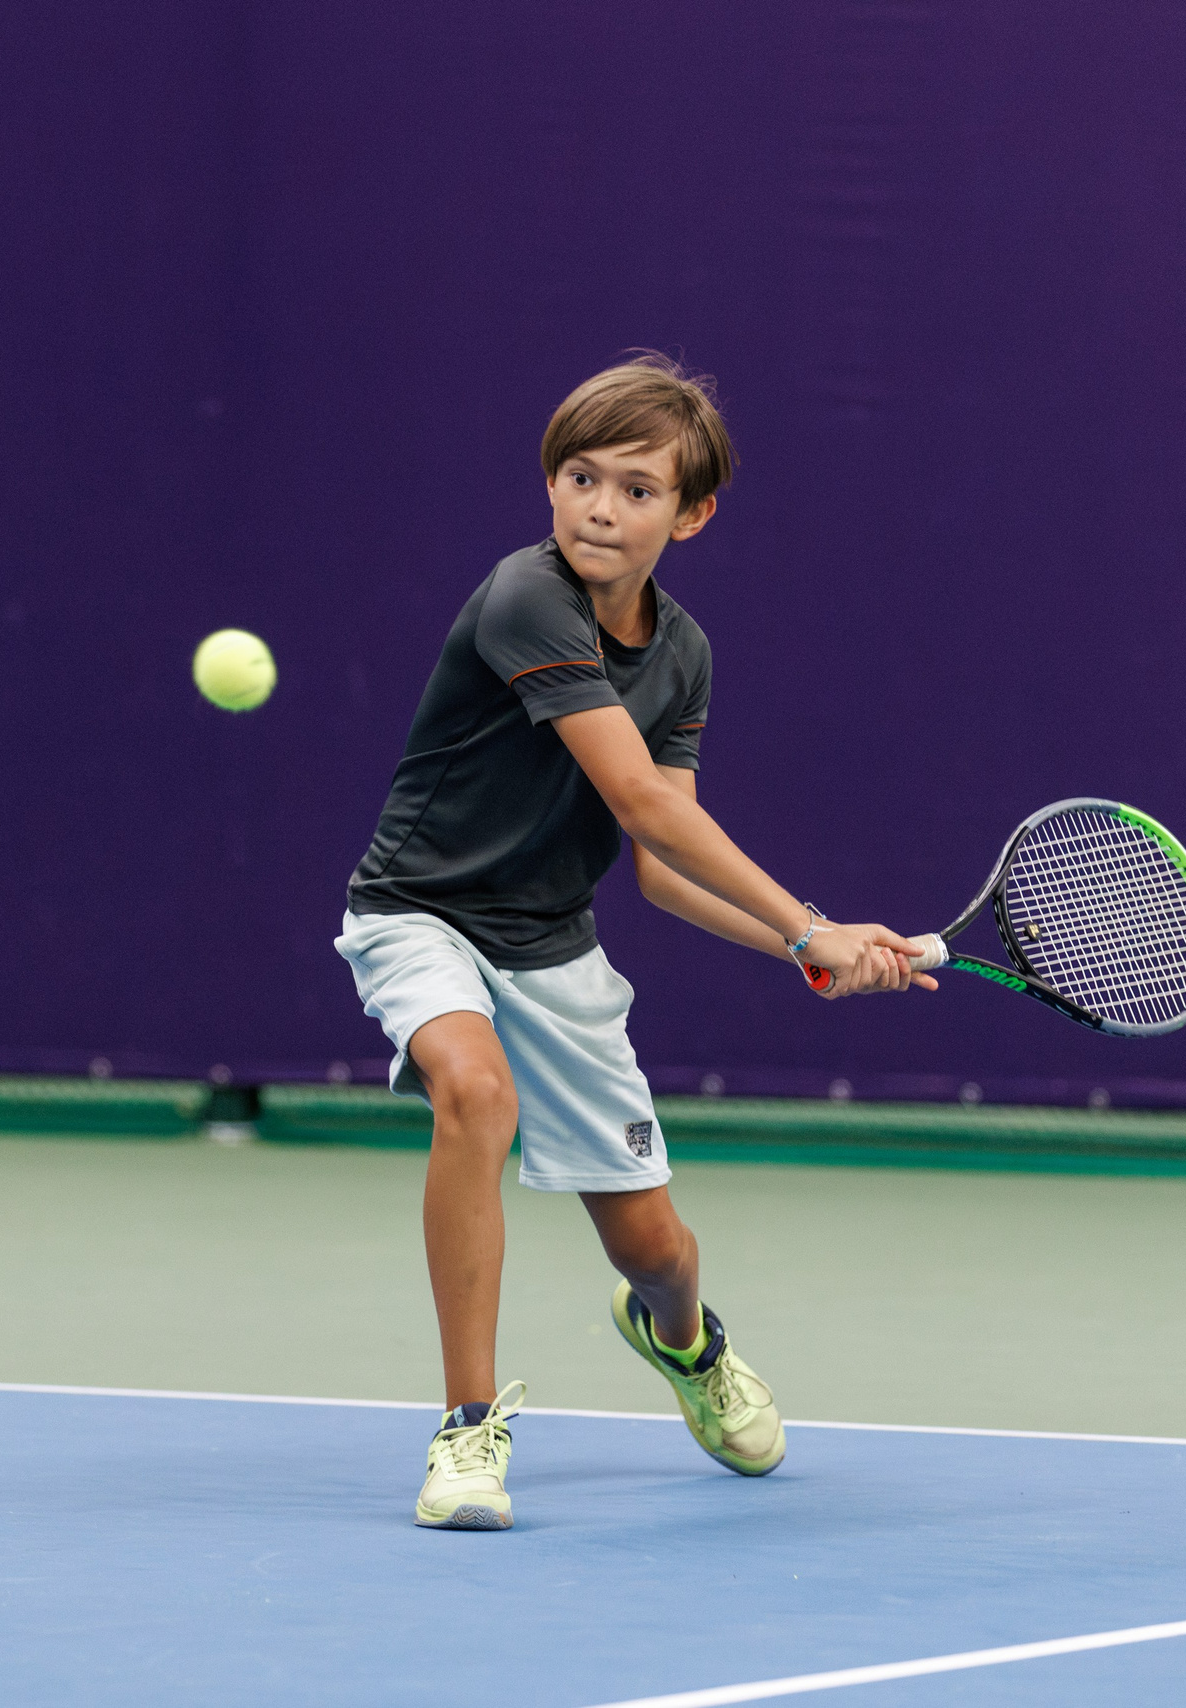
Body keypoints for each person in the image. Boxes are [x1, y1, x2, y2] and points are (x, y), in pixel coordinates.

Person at [336, 352, 934, 1530]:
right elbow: (646, 807)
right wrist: (809, 919)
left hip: (553, 951)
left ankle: (684, 1343)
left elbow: (660, 872)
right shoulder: (526, 596)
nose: (601, 507)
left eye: (638, 488)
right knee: (472, 1091)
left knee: (656, 1248)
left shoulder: (683, 654)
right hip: (420, 912)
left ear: (692, 513)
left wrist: (796, 949)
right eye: (579, 477)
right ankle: (465, 1433)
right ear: (550, 486)